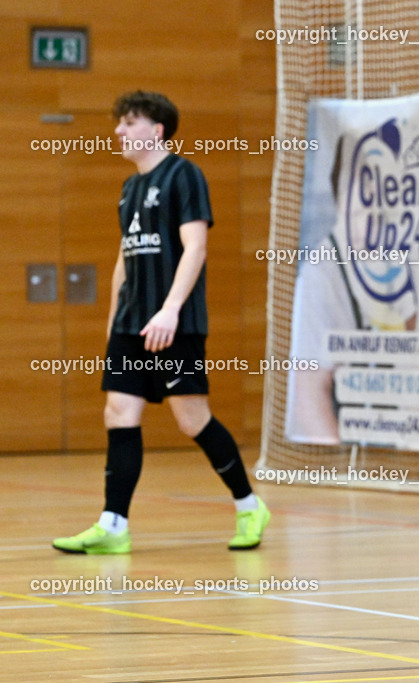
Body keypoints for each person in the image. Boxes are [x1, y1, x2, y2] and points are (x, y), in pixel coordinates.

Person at [53, 91, 270, 554]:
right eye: (119, 123)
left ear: (156, 130)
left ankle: (249, 505)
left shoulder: (184, 175)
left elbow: (196, 248)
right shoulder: (129, 189)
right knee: (119, 414)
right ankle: (113, 526)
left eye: (129, 123)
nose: (118, 131)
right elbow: (124, 260)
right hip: (132, 327)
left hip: (177, 325)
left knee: (192, 419)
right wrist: (115, 322)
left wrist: (170, 309)